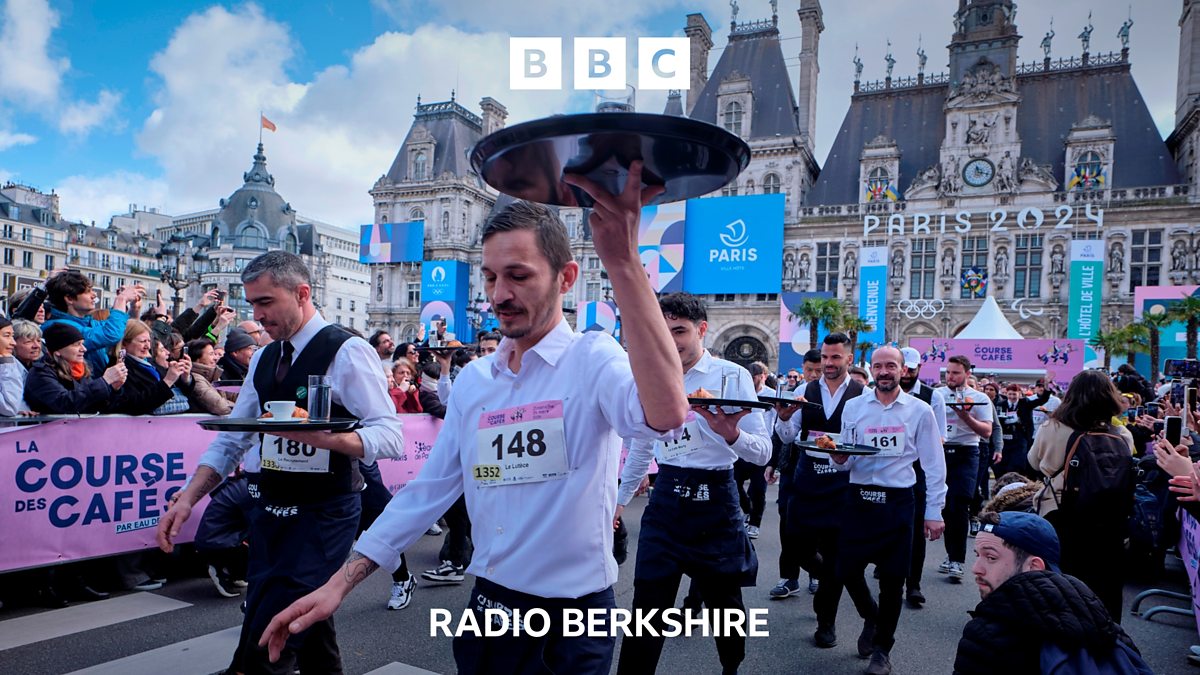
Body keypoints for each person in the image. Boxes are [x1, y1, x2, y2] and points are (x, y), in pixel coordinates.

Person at [256, 164, 688, 675]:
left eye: (519, 275)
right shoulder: (476, 381)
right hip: (488, 609)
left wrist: (624, 264)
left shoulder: (594, 359)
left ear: (566, 278)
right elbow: (429, 490)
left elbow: (664, 415)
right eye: (490, 276)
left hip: (571, 618)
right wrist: (337, 586)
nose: (500, 293)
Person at [157, 250, 403, 674]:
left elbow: (391, 436)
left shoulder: (346, 351)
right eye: (252, 303)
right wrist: (188, 497)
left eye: (266, 302)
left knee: (279, 619)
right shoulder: (266, 357)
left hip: (325, 511)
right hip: (270, 507)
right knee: (307, 621)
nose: (257, 314)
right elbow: (237, 433)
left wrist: (327, 438)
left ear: (302, 293)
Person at [615, 292, 769, 675]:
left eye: (679, 331)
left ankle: (731, 667)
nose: (671, 341)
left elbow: (762, 452)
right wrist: (617, 502)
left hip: (716, 499)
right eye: (663, 332)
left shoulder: (731, 376)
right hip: (667, 501)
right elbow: (640, 446)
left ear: (702, 329)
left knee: (726, 610)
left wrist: (730, 435)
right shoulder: (651, 376)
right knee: (646, 613)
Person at [828, 346, 947, 675]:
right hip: (859, 499)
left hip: (897, 502)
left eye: (890, 366)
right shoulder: (853, 407)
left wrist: (935, 510)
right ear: (871, 369)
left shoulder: (920, 411)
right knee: (845, 570)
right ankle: (872, 614)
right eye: (878, 366)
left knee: (894, 581)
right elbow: (846, 455)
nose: (884, 372)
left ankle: (883, 649)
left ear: (903, 370)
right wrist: (837, 458)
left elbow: (934, 465)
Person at [773, 333, 877, 654]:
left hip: (842, 484)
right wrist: (784, 417)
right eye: (825, 359)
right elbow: (789, 436)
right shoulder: (806, 389)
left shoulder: (864, 395)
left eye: (835, 358)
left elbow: (868, 444)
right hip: (807, 479)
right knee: (798, 546)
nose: (828, 364)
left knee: (835, 554)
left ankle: (826, 623)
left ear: (849, 359)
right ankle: (852, 595)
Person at [953, 511, 1148, 674]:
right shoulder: (1104, 624)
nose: (976, 568)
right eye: (978, 555)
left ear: (1034, 566)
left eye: (991, 557)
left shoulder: (987, 635)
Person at [1028, 370, 1135, 621]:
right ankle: (1106, 640)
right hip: (1110, 521)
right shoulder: (1122, 435)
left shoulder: (1052, 427)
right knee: (1105, 587)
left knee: (1060, 584)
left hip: (1061, 513)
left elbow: (1034, 461)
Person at [897, 347, 946, 608]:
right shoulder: (876, 394)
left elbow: (939, 439)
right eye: (903, 369)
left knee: (916, 530)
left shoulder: (931, 397)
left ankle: (912, 584)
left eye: (911, 370)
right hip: (889, 469)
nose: (906, 375)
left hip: (917, 469)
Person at [938, 356, 993, 582]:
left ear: (967, 374)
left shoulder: (980, 398)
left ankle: (956, 560)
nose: (950, 377)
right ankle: (947, 553)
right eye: (948, 373)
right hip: (941, 451)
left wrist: (965, 416)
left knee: (960, 504)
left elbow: (986, 431)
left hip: (967, 452)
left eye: (956, 373)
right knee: (943, 507)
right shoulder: (937, 395)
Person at [42, 270, 143, 374]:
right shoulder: (59, 327)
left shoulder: (86, 322)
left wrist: (131, 308)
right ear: (69, 298)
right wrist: (121, 299)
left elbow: (117, 328)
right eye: (87, 291)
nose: (94, 295)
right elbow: (111, 334)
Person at [25, 323, 127, 414]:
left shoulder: (81, 370)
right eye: (76, 345)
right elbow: (64, 403)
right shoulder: (40, 373)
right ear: (57, 351)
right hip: (47, 433)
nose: (84, 349)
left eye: (82, 343)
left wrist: (113, 388)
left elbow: (94, 406)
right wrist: (104, 381)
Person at [106, 321, 191, 416]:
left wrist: (185, 377)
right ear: (124, 344)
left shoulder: (149, 363)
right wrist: (168, 381)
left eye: (149, 341)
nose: (148, 346)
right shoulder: (118, 368)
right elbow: (134, 404)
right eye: (143, 341)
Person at [994, 382, 1051, 477]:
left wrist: (1046, 387)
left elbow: (1042, 400)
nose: (1012, 397)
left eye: (1014, 394)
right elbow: (997, 421)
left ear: (1019, 394)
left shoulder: (1025, 403)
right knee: (1002, 465)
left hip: (1020, 439)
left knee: (1017, 464)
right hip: (1005, 439)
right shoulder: (1000, 405)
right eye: (1010, 394)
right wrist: (1006, 420)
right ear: (1006, 393)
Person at [0, 315, 30, 416]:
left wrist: (22, 409)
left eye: (12, 336)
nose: (13, 343)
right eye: (6, 335)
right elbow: (10, 407)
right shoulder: (7, 361)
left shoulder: (10, 360)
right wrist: (7, 365)